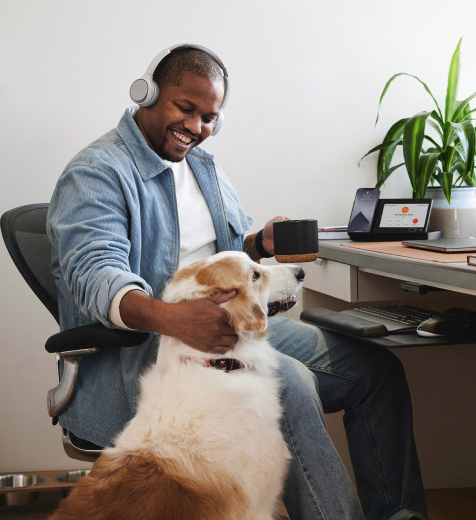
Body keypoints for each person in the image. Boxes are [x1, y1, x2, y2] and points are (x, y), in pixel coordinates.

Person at [47, 44, 428, 520]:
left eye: (209, 117)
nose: (196, 128)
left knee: (374, 372)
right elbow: (95, 273)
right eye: (185, 108)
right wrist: (174, 320)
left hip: (227, 331)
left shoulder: (203, 167)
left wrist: (257, 244)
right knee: (288, 383)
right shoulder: (97, 173)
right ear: (147, 93)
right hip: (147, 351)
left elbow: (219, 254)